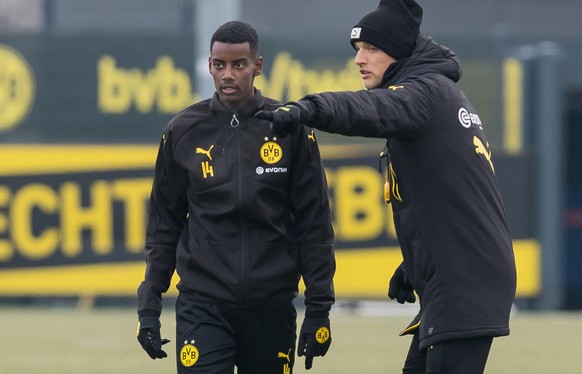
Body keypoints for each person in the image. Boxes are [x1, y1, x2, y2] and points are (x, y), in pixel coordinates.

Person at [256, 1, 517, 373]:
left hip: (462, 284)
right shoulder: (436, 95)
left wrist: (307, 110)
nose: (360, 59)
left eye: (372, 49)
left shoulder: (424, 93)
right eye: (357, 50)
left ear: (400, 51)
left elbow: (368, 110)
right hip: (457, 274)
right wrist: (414, 262)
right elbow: (451, 200)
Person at [137, 21, 335, 373]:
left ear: (257, 67)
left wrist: (319, 308)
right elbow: (164, 225)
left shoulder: (290, 128)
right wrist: (149, 305)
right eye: (219, 65)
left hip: (271, 307)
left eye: (238, 65)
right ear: (210, 65)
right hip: (202, 305)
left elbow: (314, 224)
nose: (228, 74)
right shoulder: (182, 130)